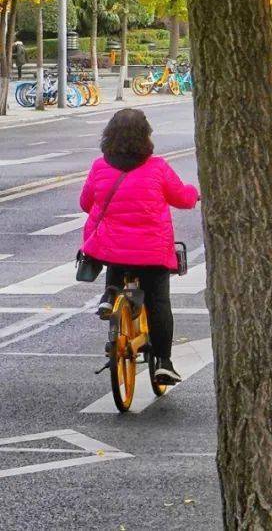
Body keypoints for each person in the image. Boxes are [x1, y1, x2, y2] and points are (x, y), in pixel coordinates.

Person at [79, 107, 199, 390]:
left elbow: (86, 203)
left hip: (112, 249)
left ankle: (110, 295)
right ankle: (164, 363)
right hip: (152, 252)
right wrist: (195, 194)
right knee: (158, 303)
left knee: (116, 259)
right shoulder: (157, 167)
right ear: (146, 136)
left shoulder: (99, 166)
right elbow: (181, 198)